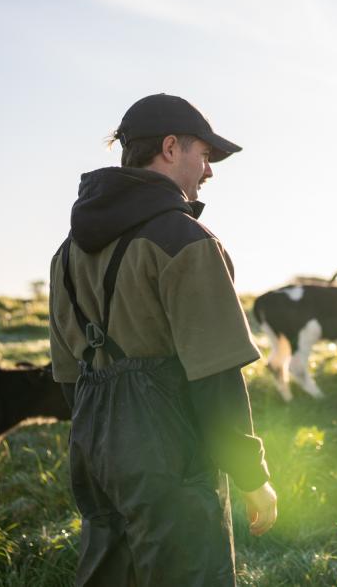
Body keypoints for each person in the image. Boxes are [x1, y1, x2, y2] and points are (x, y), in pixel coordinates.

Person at [49, 93, 277, 586]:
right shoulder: (186, 242)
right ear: (171, 148)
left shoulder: (65, 253)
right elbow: (216, 374)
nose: (209, 171)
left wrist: (101, 437)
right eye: (204, 154)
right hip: (169, 448)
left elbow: (67, 373)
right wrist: (252, 475)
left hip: (91, 447)